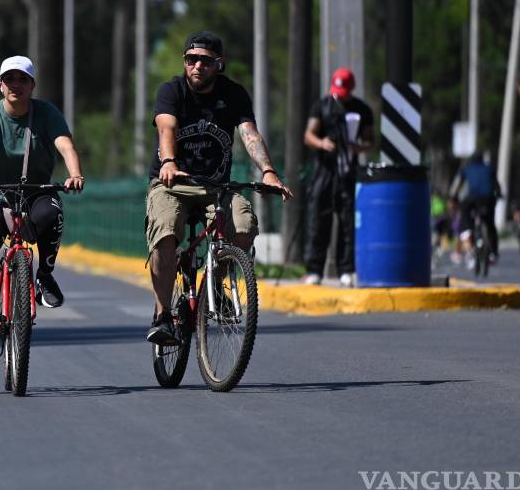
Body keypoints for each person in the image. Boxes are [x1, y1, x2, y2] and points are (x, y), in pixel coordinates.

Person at [143, 32, 289, 345]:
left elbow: (249, 134)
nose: (197, 66)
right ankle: (163, 315)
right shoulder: (172, 90)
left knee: (244, 223)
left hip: (216, 188)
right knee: (166, 233)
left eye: (205, 61)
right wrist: (168, 162)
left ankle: (217, 287)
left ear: (218, 65)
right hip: (172, 184)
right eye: (191, 59)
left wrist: (268, 171)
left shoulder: (233, 94)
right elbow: (166, 127)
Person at [0, 56, 85, 367]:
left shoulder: (47, 113)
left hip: (35, 192)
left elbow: (65, 144)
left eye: (22, 79)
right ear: (0, 85)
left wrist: (75, 172)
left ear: (32, 85)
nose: (16, 85)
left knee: (53, 213)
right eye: (9, 79)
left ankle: (45, 276)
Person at [301, 67, 375, 287]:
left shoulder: (362, 110)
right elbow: (308, 135)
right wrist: (322, 143)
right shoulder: (322, 106)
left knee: (348, 221)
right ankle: (315, 270)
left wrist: (357, 148)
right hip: (324, 170)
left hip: (348, 170)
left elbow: (370, 141)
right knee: (318, 220)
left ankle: (346, 269)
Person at [451, 151, 502, 265]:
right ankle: (494, 253)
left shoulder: (467, 168)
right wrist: (499, 194)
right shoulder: (489, 168)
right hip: (488, 199)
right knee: (491, 225)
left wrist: (454, 197)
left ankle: (468, 230)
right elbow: (495, 184)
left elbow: (459, 184)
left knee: (465, 213)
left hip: (472, 199)